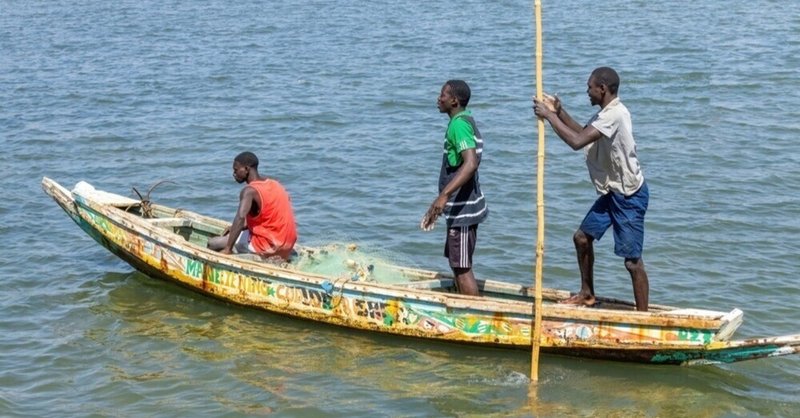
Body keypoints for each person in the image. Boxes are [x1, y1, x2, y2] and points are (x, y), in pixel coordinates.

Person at [533, 67, 650, 311]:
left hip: (629, 196)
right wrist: (559, 112)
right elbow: (581, 132)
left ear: (603, 89)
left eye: (590, 87)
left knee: (632, 262)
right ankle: (587, 294)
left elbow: (576, 142)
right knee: (582, 238)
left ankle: (643, 316)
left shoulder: (614, 115)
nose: (587, 91)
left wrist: (548, 115)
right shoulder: (606, 113)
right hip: (612, 192)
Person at [421, 80, 488, 296]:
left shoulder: (459, 125)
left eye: (442, 95)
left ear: (454, 100)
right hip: (461, 206)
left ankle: (474, 314)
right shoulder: (462, 121)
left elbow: (470, 163)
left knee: (461, 266)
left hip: (464, 209)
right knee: (456, 260)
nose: (438, 99)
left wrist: (444, 196)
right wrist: (440, 201)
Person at [207, 151, 298, 261]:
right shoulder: (275, 184)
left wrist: (228, 249)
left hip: (268, 247)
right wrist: (235, 228)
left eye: (236, 170)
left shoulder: (249, 191)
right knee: (236, 233)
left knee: (213, 243)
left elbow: (240, 218)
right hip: (287, 244)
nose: (233, 174)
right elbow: (267, 215)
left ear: (246, 169)